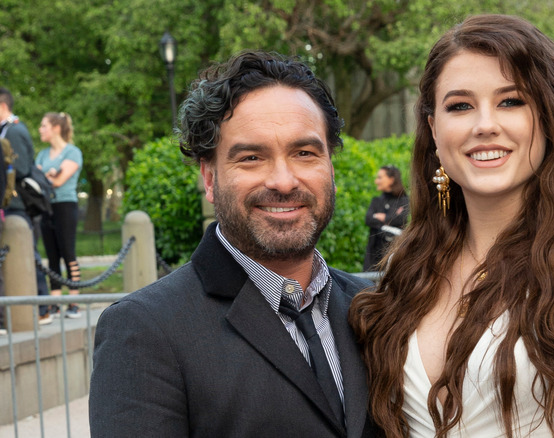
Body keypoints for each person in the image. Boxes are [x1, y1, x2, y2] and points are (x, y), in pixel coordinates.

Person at [349, 14, 554, 437]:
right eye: (460, 106)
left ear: (547, 117)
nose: (485, 124)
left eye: (511, 101)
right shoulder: (409, 264)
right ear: (434, 129)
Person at [89, 51, 377, 438]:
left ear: (330, 167)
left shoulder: (376, 306)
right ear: (209, 178)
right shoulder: (144, 331)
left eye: (304, 153)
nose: (283, 181)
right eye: (252, 157)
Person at [0, 87, 52, 330]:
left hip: (19, 203)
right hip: (12, 203)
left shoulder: (15, 130)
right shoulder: (7, 130)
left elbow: (20, 169)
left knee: (29, 254)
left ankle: (42, 307)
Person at [36, 112, 83, 318]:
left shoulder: (72, 152)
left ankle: (74, 301)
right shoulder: (42, 155)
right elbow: (39, 179)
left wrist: (49, 176)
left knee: (68, 253)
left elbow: (58, 181)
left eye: (44, 126)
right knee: (52, 255)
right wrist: (51, 174)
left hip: (65, 206)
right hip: (46, 206)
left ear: (56, 128)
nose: (40, 130)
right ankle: (55, 302)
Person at [363, 165, 409, 271]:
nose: (376, 181)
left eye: (380, 177)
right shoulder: (376, 201)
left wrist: (383, 218)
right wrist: (391, 219)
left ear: (391, 180)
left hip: (395, 258)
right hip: (373, 259)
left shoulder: (404, 201)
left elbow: (401, 219)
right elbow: (369, 219)